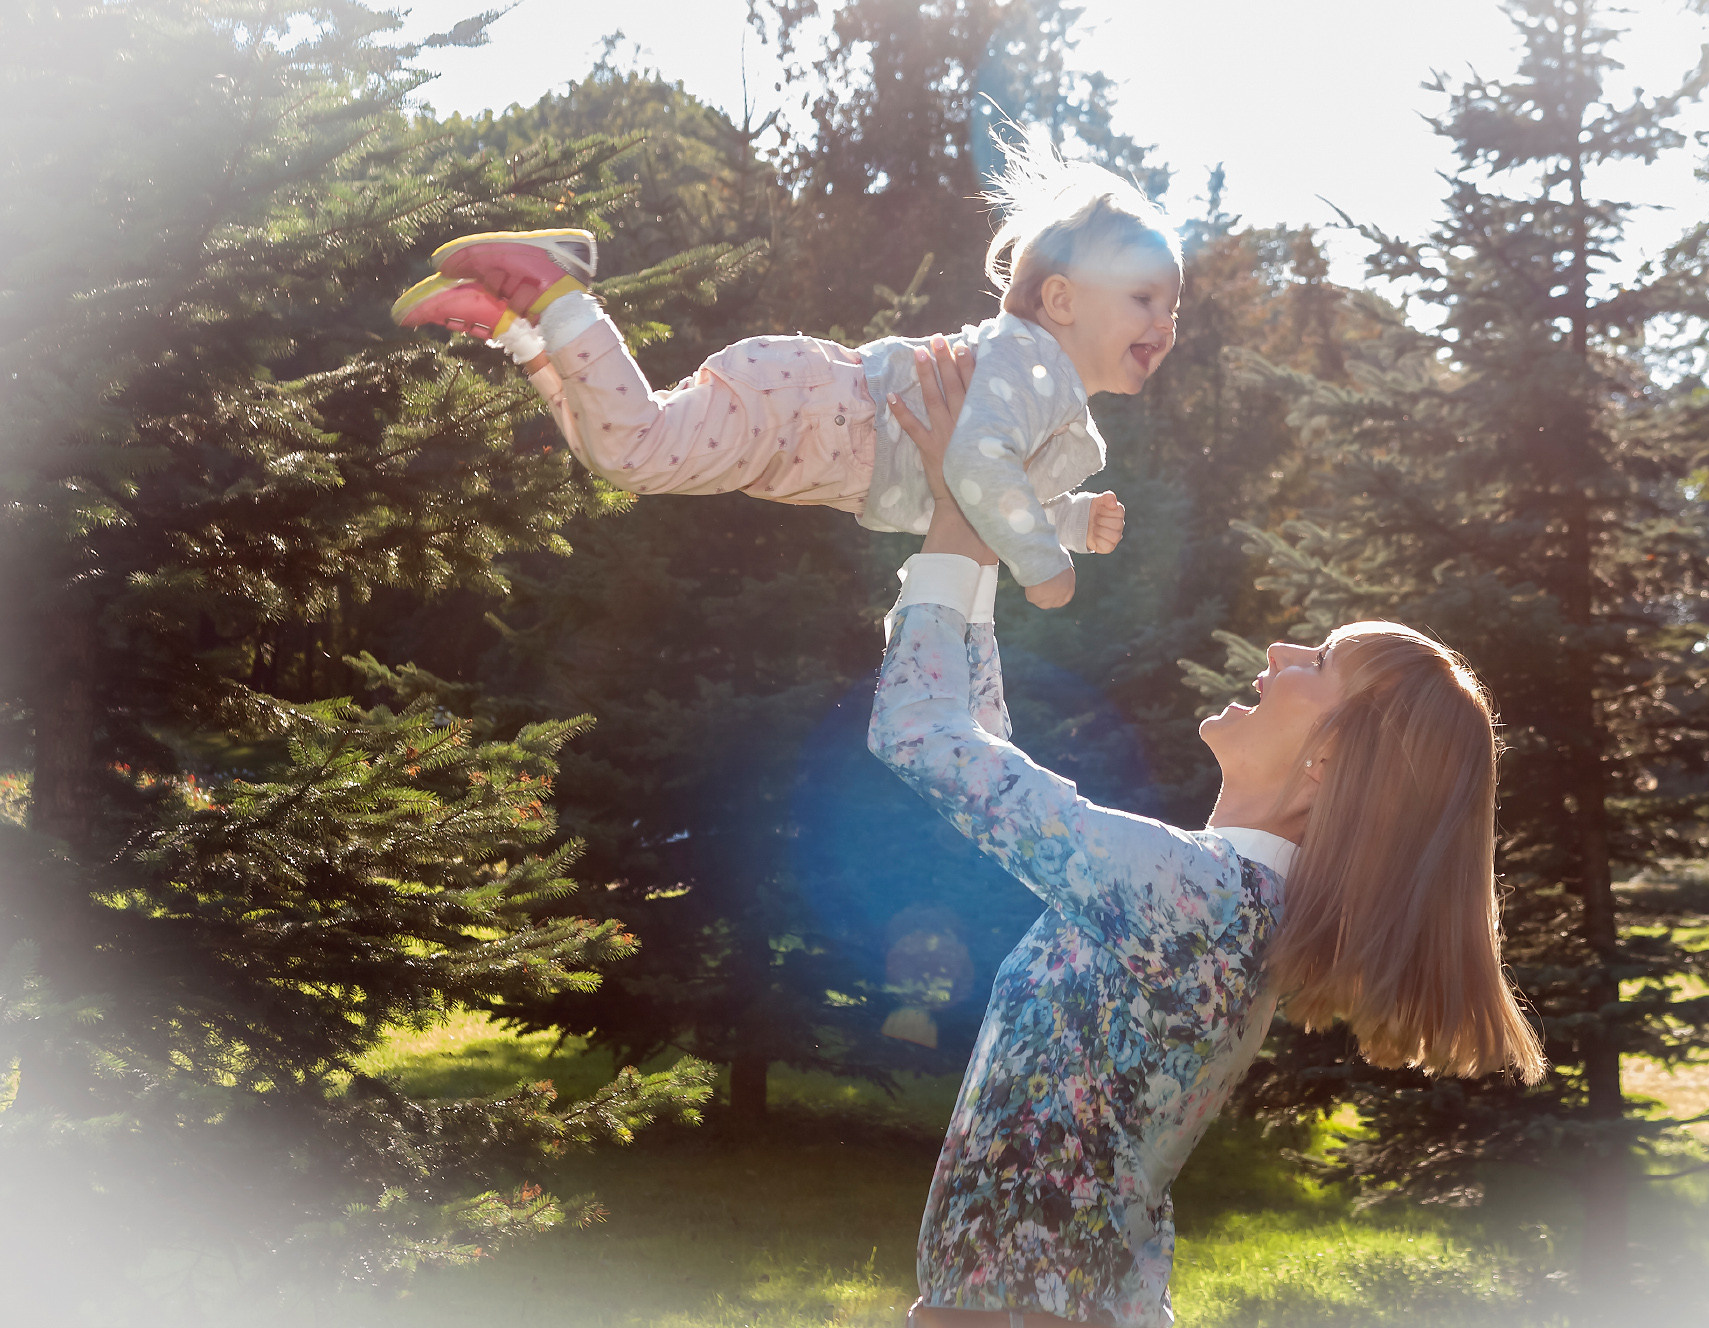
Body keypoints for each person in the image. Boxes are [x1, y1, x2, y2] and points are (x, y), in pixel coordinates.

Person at [868, 343, 1547, 1327]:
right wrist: (972, 529)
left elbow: (924, 736)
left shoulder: (1188, 899)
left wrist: (949, 520)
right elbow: (986, 759)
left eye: (1314, 658)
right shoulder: (1221, 901)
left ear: (1330, 761)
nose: (1276, 650)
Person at [388, 132, 1175, 609]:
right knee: (634, 450)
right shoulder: (1029, 365)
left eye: (1174, 307)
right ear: (1063, 301)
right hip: (811, 410)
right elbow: (975, 467)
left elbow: (998, 489)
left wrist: (1070, 519)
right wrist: (1048, 564)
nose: (1165, 323)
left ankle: (522, 329)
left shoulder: (1044, 395)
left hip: (802, 410)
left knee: (617, 453)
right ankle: (555, 287)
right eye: (1144, 298)